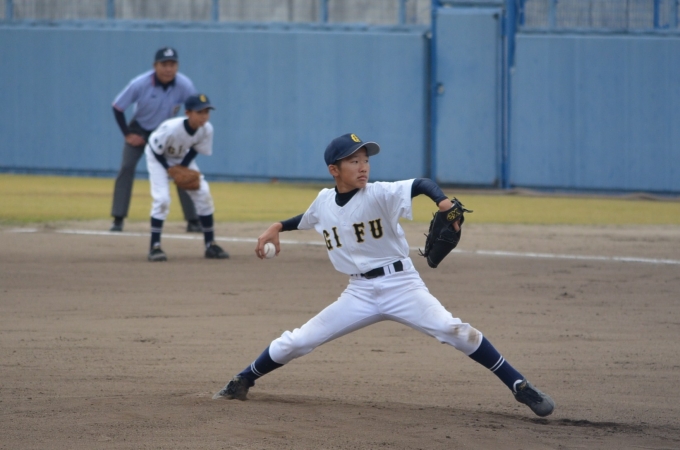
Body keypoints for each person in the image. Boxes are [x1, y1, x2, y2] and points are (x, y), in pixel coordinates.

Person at [212, 133, 555, 417]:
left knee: (454, 330)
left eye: (365, 160)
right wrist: (277, 226)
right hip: (358, 293)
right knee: (298, 341)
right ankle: (242, 380)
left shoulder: (379, 193)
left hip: (401, 285)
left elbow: (421, 183)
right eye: (353, 161)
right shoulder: (323, 201)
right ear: (334, 170)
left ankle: (519, 386)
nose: (363, 166)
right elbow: (307, 218)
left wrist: (442, 202)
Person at [110, 47, 202, 233]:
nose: (168, 69)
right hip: (140, 130)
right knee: (127, 167)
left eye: (172, 64)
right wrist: (127, 134)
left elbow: (196, 109)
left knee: (182, 170)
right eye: (164, 64)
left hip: (167, 134)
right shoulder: (140, 83)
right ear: (155, 66)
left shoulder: (184, 84)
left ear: (177, 66)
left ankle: (193, 220)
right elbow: (118, 107)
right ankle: (118, 219)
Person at [144, 93, 229, 262]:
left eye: (207, 112)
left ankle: (210, 245)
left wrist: (182, 167)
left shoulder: (207, 129)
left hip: (181, 158)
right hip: (159, 159)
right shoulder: (171, 128)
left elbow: (196, 148)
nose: (204, 116)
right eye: (199, 112)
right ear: (188, 113)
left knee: (203, 193)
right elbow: (154, 149)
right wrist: (169, 169)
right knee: (162, 199)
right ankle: (155, 247)